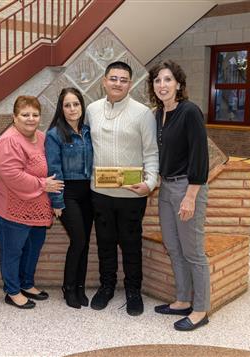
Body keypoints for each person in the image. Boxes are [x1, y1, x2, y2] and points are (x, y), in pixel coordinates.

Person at [86, 61, 159, 316]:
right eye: (113, 78)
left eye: (123, 79)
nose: (118, 83)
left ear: (130, 83)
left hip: (131, 194)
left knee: (130, 244)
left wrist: (149, 184)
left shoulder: (142, 113)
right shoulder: (92, 110)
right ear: (104, 81)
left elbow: (151, 152)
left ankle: (133, 291)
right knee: (105, 243)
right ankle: (106, 287)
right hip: (100, 194)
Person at [148, 60, 210, 331]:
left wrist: (191, 195)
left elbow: (200, 156)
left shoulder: (190, 112)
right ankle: (183, 300)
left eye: (168, 80)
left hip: (187, 187)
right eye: (158, 80)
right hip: (166, 187)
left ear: (179, 84)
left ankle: (200, 310)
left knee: (193, 252)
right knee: (173, 247)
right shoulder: (157, 114)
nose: (162, 85)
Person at [0, 95, 64, 309]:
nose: (30, 118)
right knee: (13, 251)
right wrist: (42, 185)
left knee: (33, 247)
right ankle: (12, 291)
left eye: (35, 114)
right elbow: (12, 175)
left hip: (36, 209)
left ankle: (26, 283)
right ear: (14, 117)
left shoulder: (40, 137)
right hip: (10, 208)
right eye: (25, 114)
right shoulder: (8, 141)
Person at [45, 88, 93, 309]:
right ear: (61, 109)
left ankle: (80, 287)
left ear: (82, 106)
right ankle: (69, 287)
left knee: (84, 243)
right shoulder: (55, 134)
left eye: (76, 104)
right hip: (68, 193)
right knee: (79, 240)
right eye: (67, 105)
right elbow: (53, 170)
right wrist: (57, 201)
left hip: (90, 193)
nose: (72, 109)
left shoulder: (88, 131)